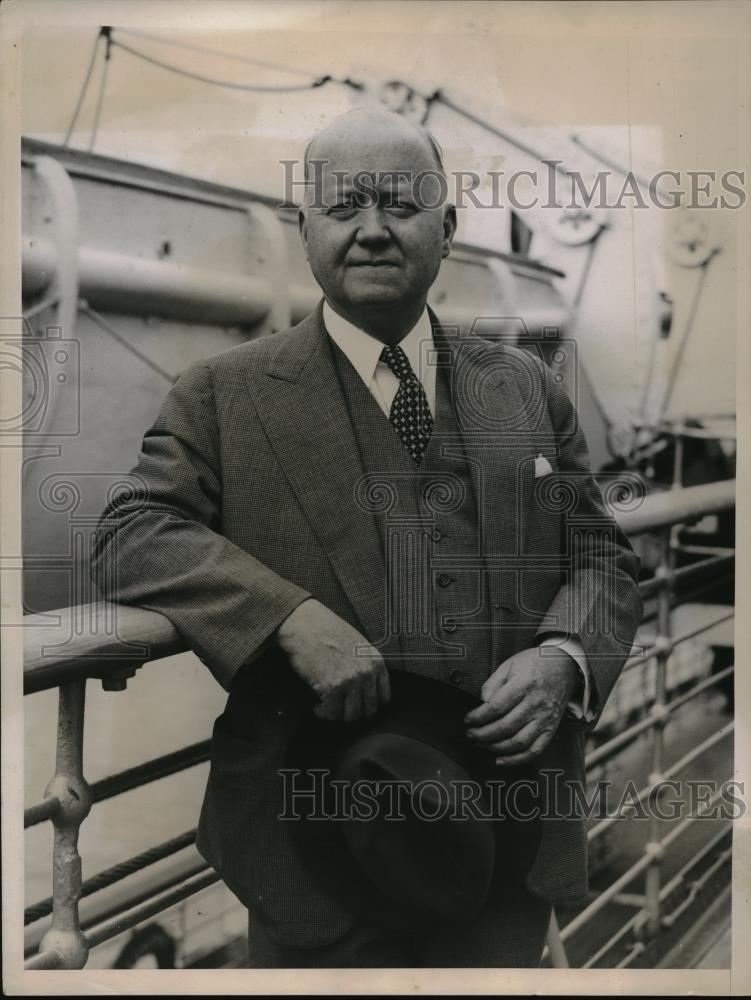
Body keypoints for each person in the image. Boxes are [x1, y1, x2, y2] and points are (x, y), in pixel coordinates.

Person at [92, 107, 642, 968]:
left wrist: (564, 656)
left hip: (504, 839)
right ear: (303, 226)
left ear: (448, 228)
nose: (373, 230)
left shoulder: (527, 385)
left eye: (401, 204)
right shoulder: (220, 394)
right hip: (315, 854)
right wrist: (285, 616)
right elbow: (129, 533)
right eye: (344, 206)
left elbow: (601, 553)